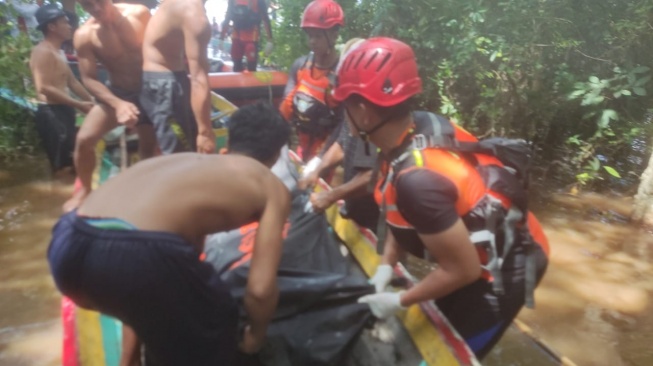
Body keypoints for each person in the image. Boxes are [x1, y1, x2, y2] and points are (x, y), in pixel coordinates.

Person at [331, 37, 550, 359]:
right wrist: (385, 268)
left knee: (450, 351)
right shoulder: (408, 130)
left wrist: (399, 301)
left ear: (363, 112)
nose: (343, 112)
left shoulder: (417, 181)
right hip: (481, 244)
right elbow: (395, 207)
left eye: (345, 103)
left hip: (511, 264)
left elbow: (463, 270)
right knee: (438, 315)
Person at [47, 102, 292, 366]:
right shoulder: (270, 186)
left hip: (68, 242)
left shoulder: (187, 166)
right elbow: (260, 289)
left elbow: (144, 282)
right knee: (216, 317)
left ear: (229, 141)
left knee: (157, 298)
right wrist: (255, 337)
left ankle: (128, 362)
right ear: (277, 155)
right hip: (134, 256)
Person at [63, 0, 157, 212]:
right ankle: (85, 190)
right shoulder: (84, 35)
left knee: (148, 145)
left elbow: (161, 51)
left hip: (149, 89)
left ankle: (145, 189)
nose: (96, 9)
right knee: (84, 140)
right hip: (117, 92)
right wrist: (118, 104)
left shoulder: (140, 14)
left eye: (100, 2)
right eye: (88, 5)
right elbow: (89, 79)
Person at [298, 38, 379, 232]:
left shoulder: (374, 111)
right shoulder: (352, 101)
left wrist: (332, 195)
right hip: (355, 206)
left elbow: (374, 175)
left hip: (377, 215)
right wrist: (317, 170)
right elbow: (343, 142)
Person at [140, 0, 216, 155]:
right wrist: (205, 132)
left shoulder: (173, 3)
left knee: (150, 151)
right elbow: (198, 78)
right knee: (180, 157)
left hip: (150, 81)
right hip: (165, 86)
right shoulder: (194, 15)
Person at [29, 3, 94, 174]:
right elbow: (43, 88)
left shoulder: (58, 52)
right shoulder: (42, 51)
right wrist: (78, 105)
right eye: (65, 22)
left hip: (64, 110)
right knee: (62, 168)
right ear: (51, 27)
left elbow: (72, 82)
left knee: (74, 162)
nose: (69, 26)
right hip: (51, 114)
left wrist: (92, 101)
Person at [279, 0, 344, 163]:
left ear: (334, 35)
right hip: (302, 148)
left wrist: (322, 159)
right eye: (310, 35)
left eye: (318, 35)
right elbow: (285, 109)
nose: (312, 41)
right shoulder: (300, 66)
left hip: (329, 155)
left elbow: (345, 125)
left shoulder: (342, 75)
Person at [219, 0, 273, 72]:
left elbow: (227, 18)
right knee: (246, 66)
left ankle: (244, 75)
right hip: (245, 38)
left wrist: (221, 38)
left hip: (243, 37)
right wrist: (270, 40)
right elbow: (265, 19)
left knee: (240, 64)